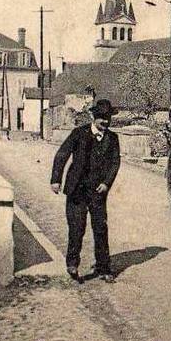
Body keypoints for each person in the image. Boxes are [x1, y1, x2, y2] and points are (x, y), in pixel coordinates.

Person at [50, 99, 121, 283]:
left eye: (108, 119)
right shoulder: (78, 133)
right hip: (77, 190)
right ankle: (72, 264)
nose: (105, 122)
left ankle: (104, 268)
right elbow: (62, 154)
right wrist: (56, 180)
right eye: (102, 119)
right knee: (76, 227)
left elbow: (115, 163)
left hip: (98, 191)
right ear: (94, 117)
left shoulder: (113, 139)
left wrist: (106, 183)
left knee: (100, 228)